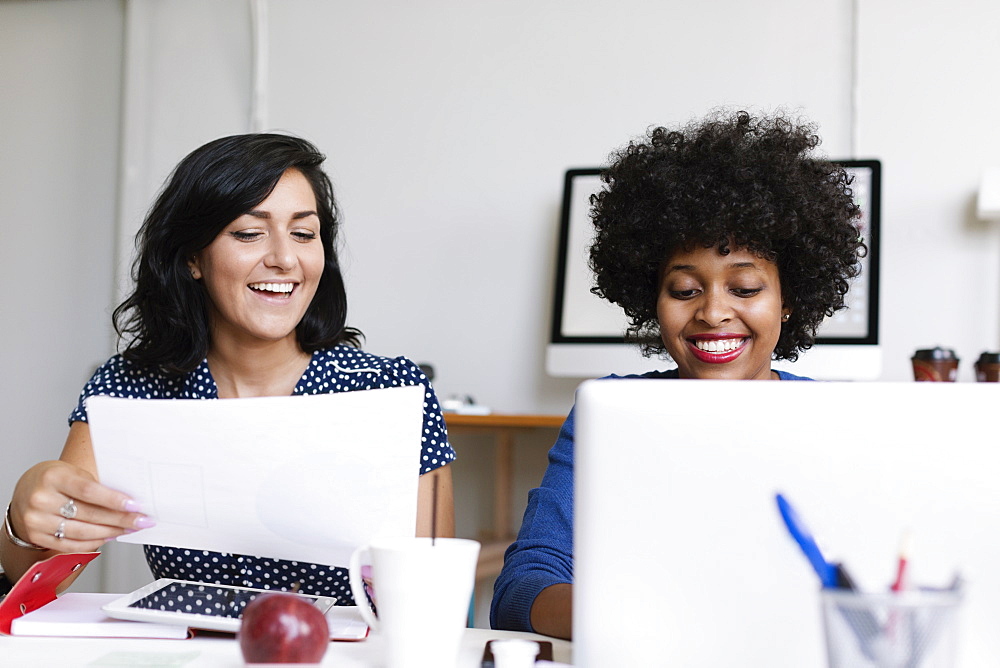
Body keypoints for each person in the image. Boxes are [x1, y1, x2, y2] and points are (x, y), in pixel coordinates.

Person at [0, 134, 455, 601]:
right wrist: (21, 520)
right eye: (248, 233)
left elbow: (430, 596)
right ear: (193, 257)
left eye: (303, 233)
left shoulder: (389, 390)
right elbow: (37, 580)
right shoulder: (130, 388)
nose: (283, 259)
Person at [490, 110, 866, 639]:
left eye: (745, 289)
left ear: (788, 301)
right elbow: (522, 588)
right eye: (686, 290)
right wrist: (649, 620)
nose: (712, 312)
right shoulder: (609, 414)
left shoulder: (840, 421)